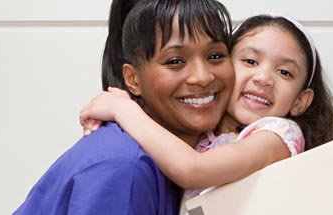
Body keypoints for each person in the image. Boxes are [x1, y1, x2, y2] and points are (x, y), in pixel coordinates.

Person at [79, 14, 333, 202]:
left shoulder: (278, 135)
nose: (264, 78)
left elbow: (193, 170)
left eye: (284, 72)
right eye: (250, 61)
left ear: (301, 101)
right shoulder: (204, 131)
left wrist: (124, 111)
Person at [13, 0, 234, 214]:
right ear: (133, 79)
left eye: (215, 56)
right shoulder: (126, 167)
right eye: (175, 61)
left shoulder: (202, 150)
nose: (202, 77)